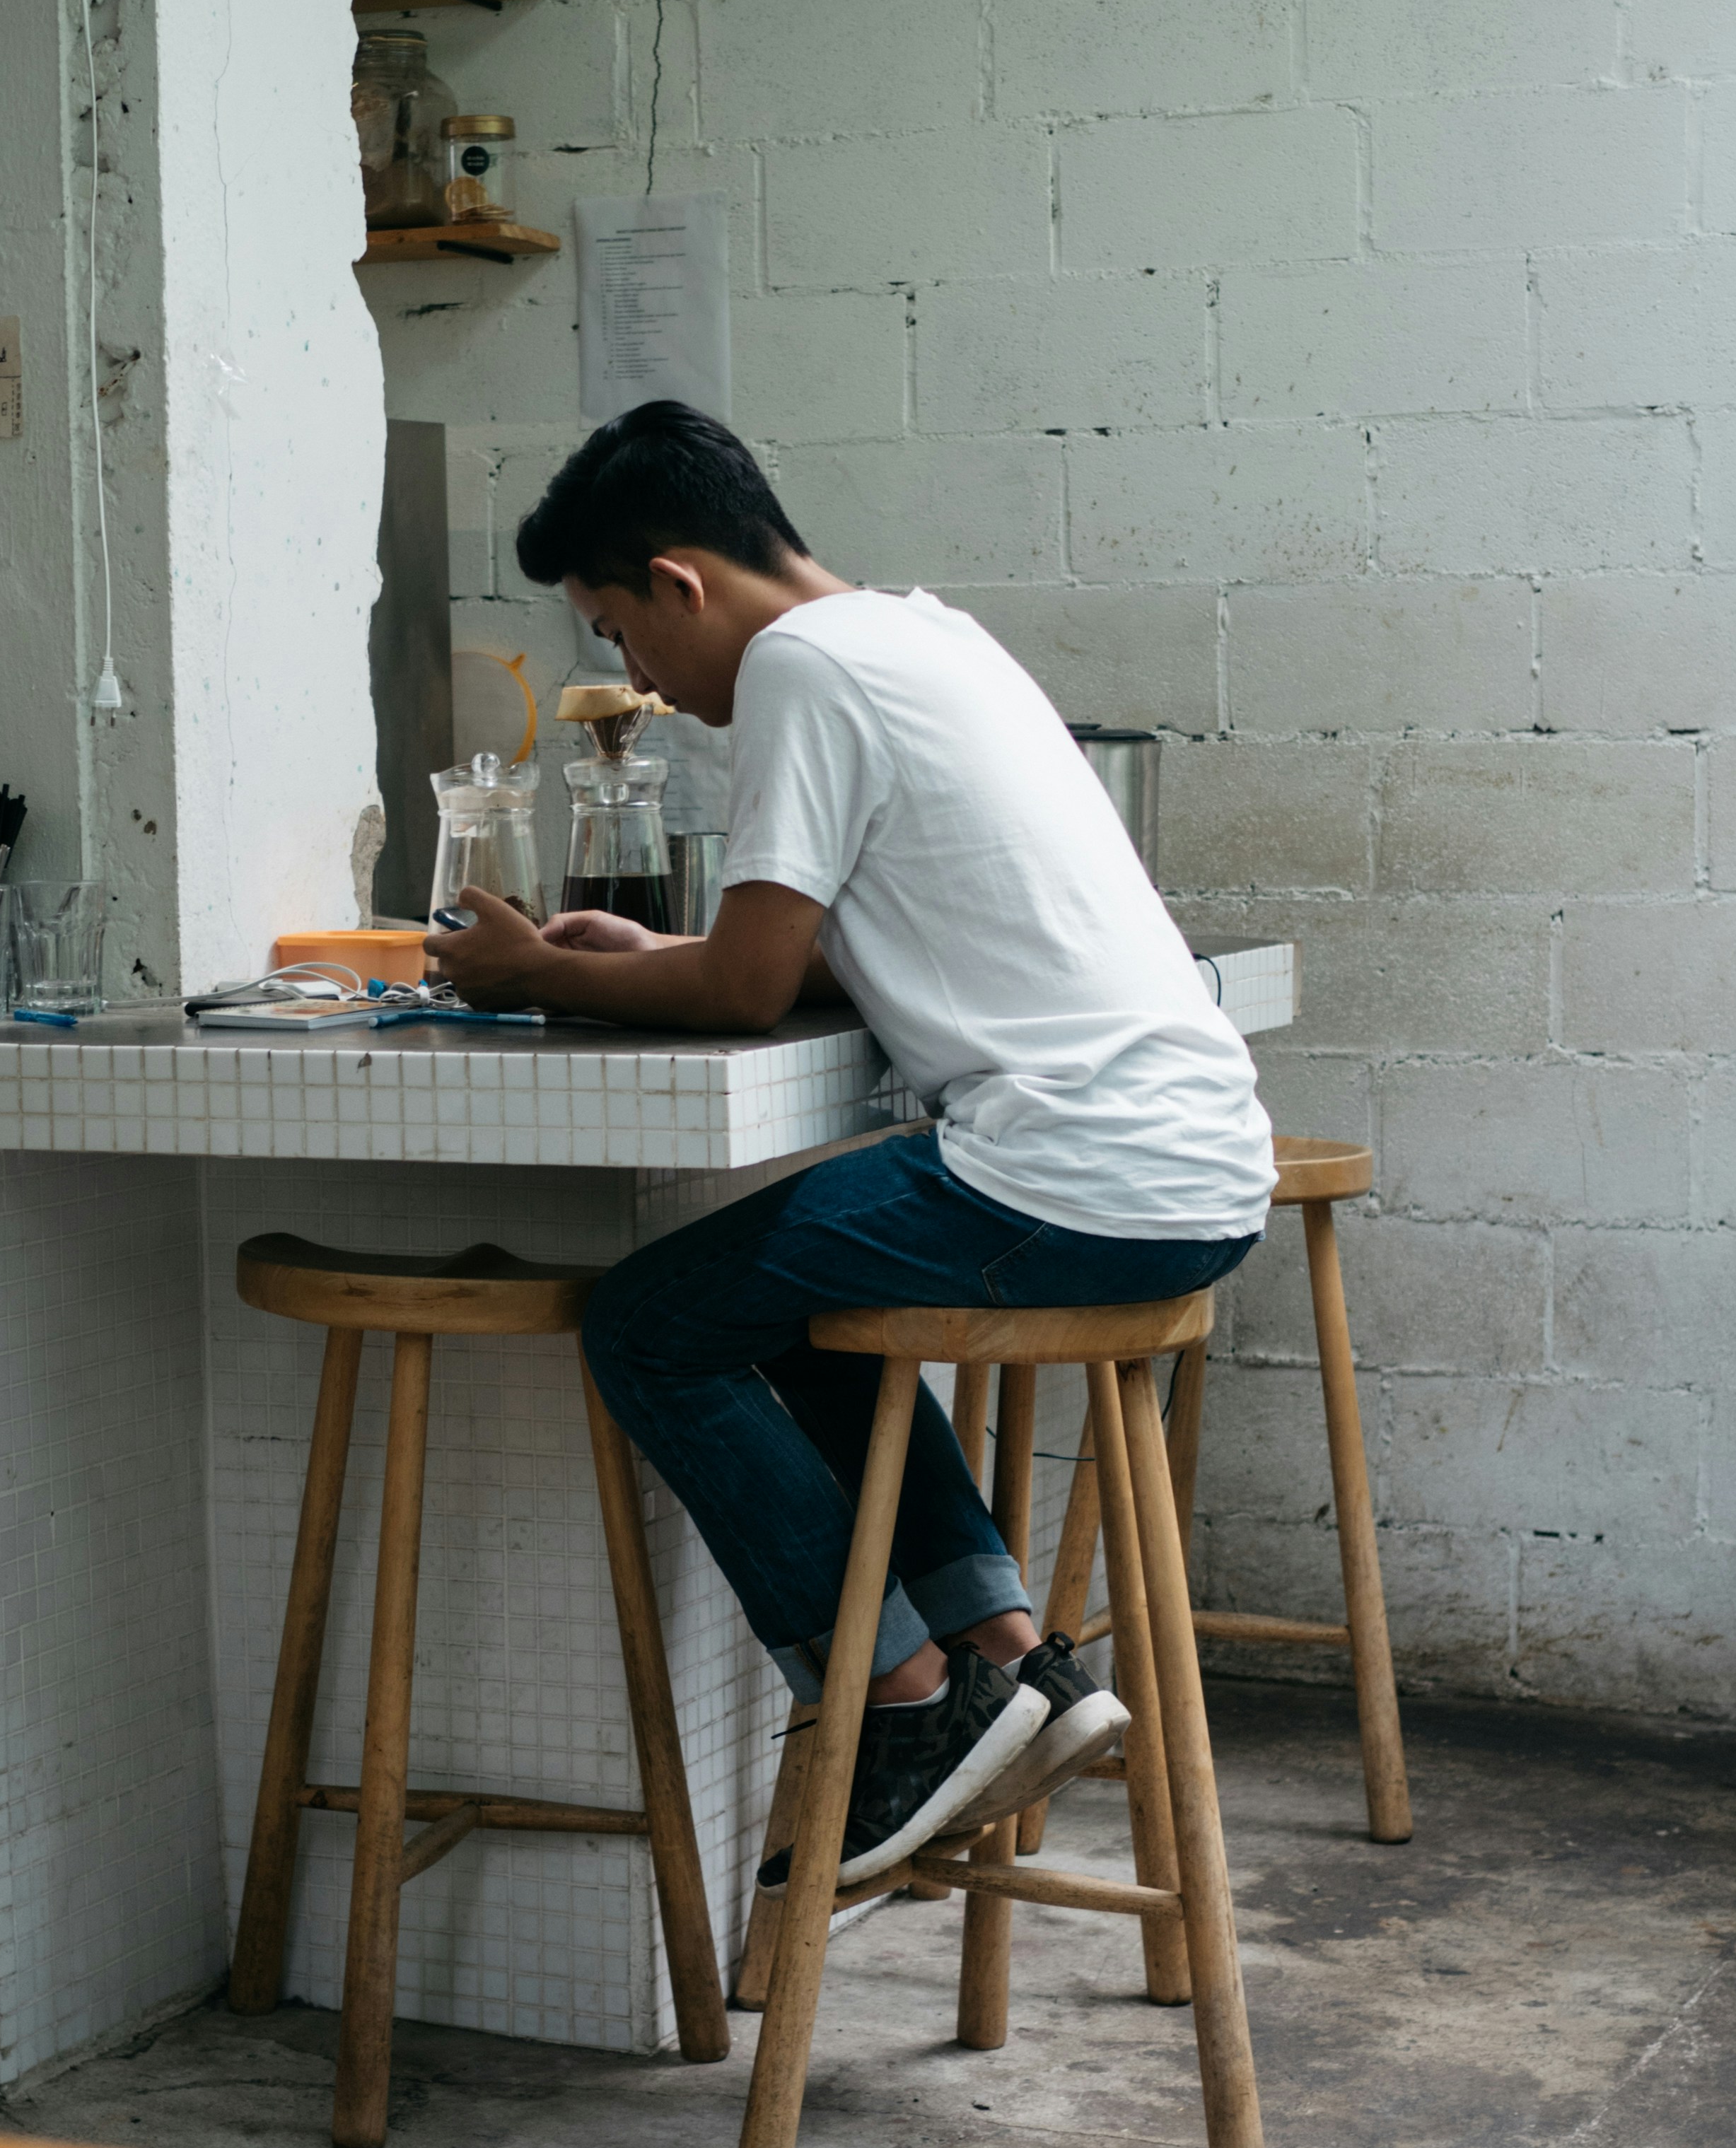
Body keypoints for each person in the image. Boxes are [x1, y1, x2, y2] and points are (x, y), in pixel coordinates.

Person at [424, 403, 1275, 1893]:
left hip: (1076, 1169)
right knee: (796, 1300)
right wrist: (655, 945)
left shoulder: (799, 671)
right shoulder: (924, 634)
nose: (637, 680)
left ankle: (895, 1695)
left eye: (621, 631)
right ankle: (1012, 1655)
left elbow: (749, 988)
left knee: (651, 1320)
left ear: (682, 583)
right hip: (1188, 1160)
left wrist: (541, 971)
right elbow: (806, 951)